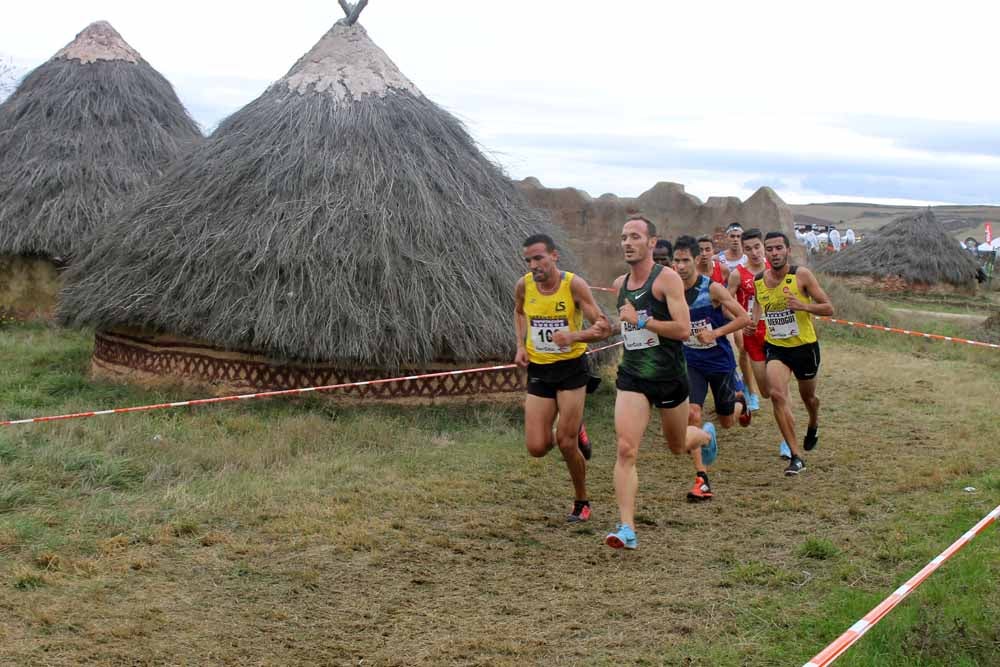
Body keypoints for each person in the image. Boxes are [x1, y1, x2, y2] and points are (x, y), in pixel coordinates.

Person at [605, 217, 716, 550]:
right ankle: (627, 527)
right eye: (624, 236)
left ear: (652, 242)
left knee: (677, 445)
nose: (627, 242)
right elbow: (625, 328)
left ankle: (705, 435)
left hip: (669, 377)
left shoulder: (666, 279)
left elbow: (683, 330)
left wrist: (641, 319)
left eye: (635, 237)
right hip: (633, 377)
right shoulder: (619, 283)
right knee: (626, 448)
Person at [514, 234, 611, 522]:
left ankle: (582, 501)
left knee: (566, 442)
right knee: (536, 447)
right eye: (529, 260)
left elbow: (603, 326)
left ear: (554, 256)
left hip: (571, 368)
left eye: (539, 258)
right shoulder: (524, 285)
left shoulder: (573, 285)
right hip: (541, 370)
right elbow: (519, 312)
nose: (534, 265)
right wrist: (521, 345)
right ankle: (574, 423)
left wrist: (573, 336)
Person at [673, 236, 751, 501]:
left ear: (696, 260)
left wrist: (716, 332)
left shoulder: (713, 289)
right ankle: (701, 479)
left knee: (727, 420)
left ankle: (741, 403)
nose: (680, 266)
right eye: (676, 260)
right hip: (691, 362)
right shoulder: (671, 291)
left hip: (719, 362)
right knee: (693, 413)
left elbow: (743, 317)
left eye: (685, 260)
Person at [751, 232, 834, 475]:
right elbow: (758, 303)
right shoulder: (759, 280)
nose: (774, 253)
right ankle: (796, 456)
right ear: (765, 253)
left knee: (808, 398)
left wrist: (803, 306)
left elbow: (829, 308)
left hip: (804, 348)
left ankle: (813, 421)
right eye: (770, 249)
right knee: (777, 395)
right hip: (776, 347)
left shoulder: (801, 275)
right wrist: (754, 321)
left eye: (779, 248)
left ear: (787, 250)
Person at [728, 228, 769, 413]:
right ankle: (751, 392)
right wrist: (741, 321)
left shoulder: (773, 269)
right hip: (749, 326)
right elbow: (726, 303)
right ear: (744, 250)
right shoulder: (738, 274)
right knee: (744, 352)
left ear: (763, 247)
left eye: (757, 247)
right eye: (749, 249)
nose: (754, 253)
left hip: (772, 324)